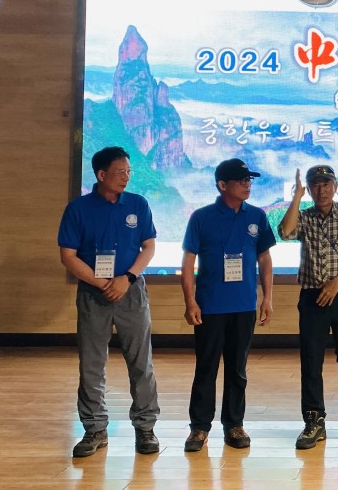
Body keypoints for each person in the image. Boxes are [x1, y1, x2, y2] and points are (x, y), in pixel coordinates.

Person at [57, 146, 161, 458]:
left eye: (129, 172)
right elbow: (68, 256)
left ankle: (145, 428)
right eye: (120, 172)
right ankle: (94, 429)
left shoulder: (138, 204)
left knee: (141, 362)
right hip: (94, 293)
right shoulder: (78, 209)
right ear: (101, 175)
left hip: (131, 291)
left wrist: (126, 278)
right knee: (91, 363)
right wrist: (102, 283)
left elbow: (149, 246)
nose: (126, 177)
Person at [180, 158, 276, 452]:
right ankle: (199, 428)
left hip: (244, 306)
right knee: (206, 368)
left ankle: (234, 424)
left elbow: (264, 258)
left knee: (237, 369)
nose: (247, 185)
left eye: (249, 180)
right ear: (223, 185)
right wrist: (190, 301)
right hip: (209, 306)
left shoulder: (257, 216)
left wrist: (267, 297)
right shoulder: (201, 217)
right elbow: (188, 262)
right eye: (241, 180)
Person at [278, 165, 338, 450]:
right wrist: (297, 197)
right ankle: (314, 420)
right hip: (312, 297)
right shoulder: (304, 217)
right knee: (311, 361)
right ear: (309, 188)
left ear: (335, 187)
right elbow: (285, 232)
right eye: (315, 185)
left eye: (326, 184)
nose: (322, 190)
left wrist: (335, 283)